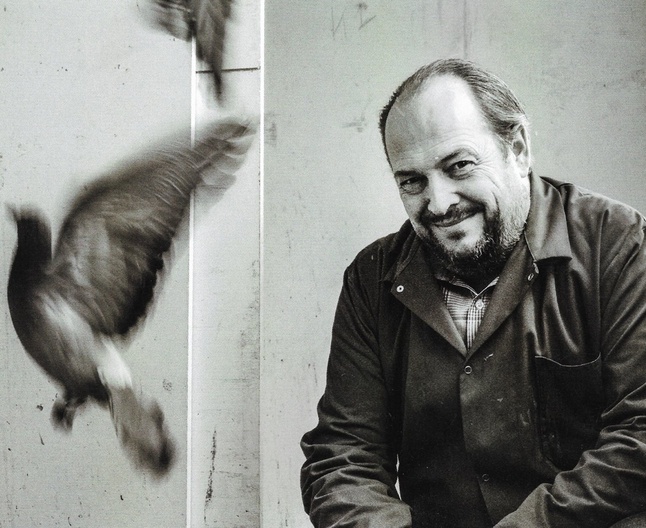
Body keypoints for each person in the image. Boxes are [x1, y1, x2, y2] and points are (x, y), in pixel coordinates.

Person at [300, 58, 646, 527]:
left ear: (518, 149)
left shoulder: (617, 244)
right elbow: (343, 457)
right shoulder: (370, 279)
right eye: (412, 181)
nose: (439, 203)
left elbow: (639, 435)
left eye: (459, 166)